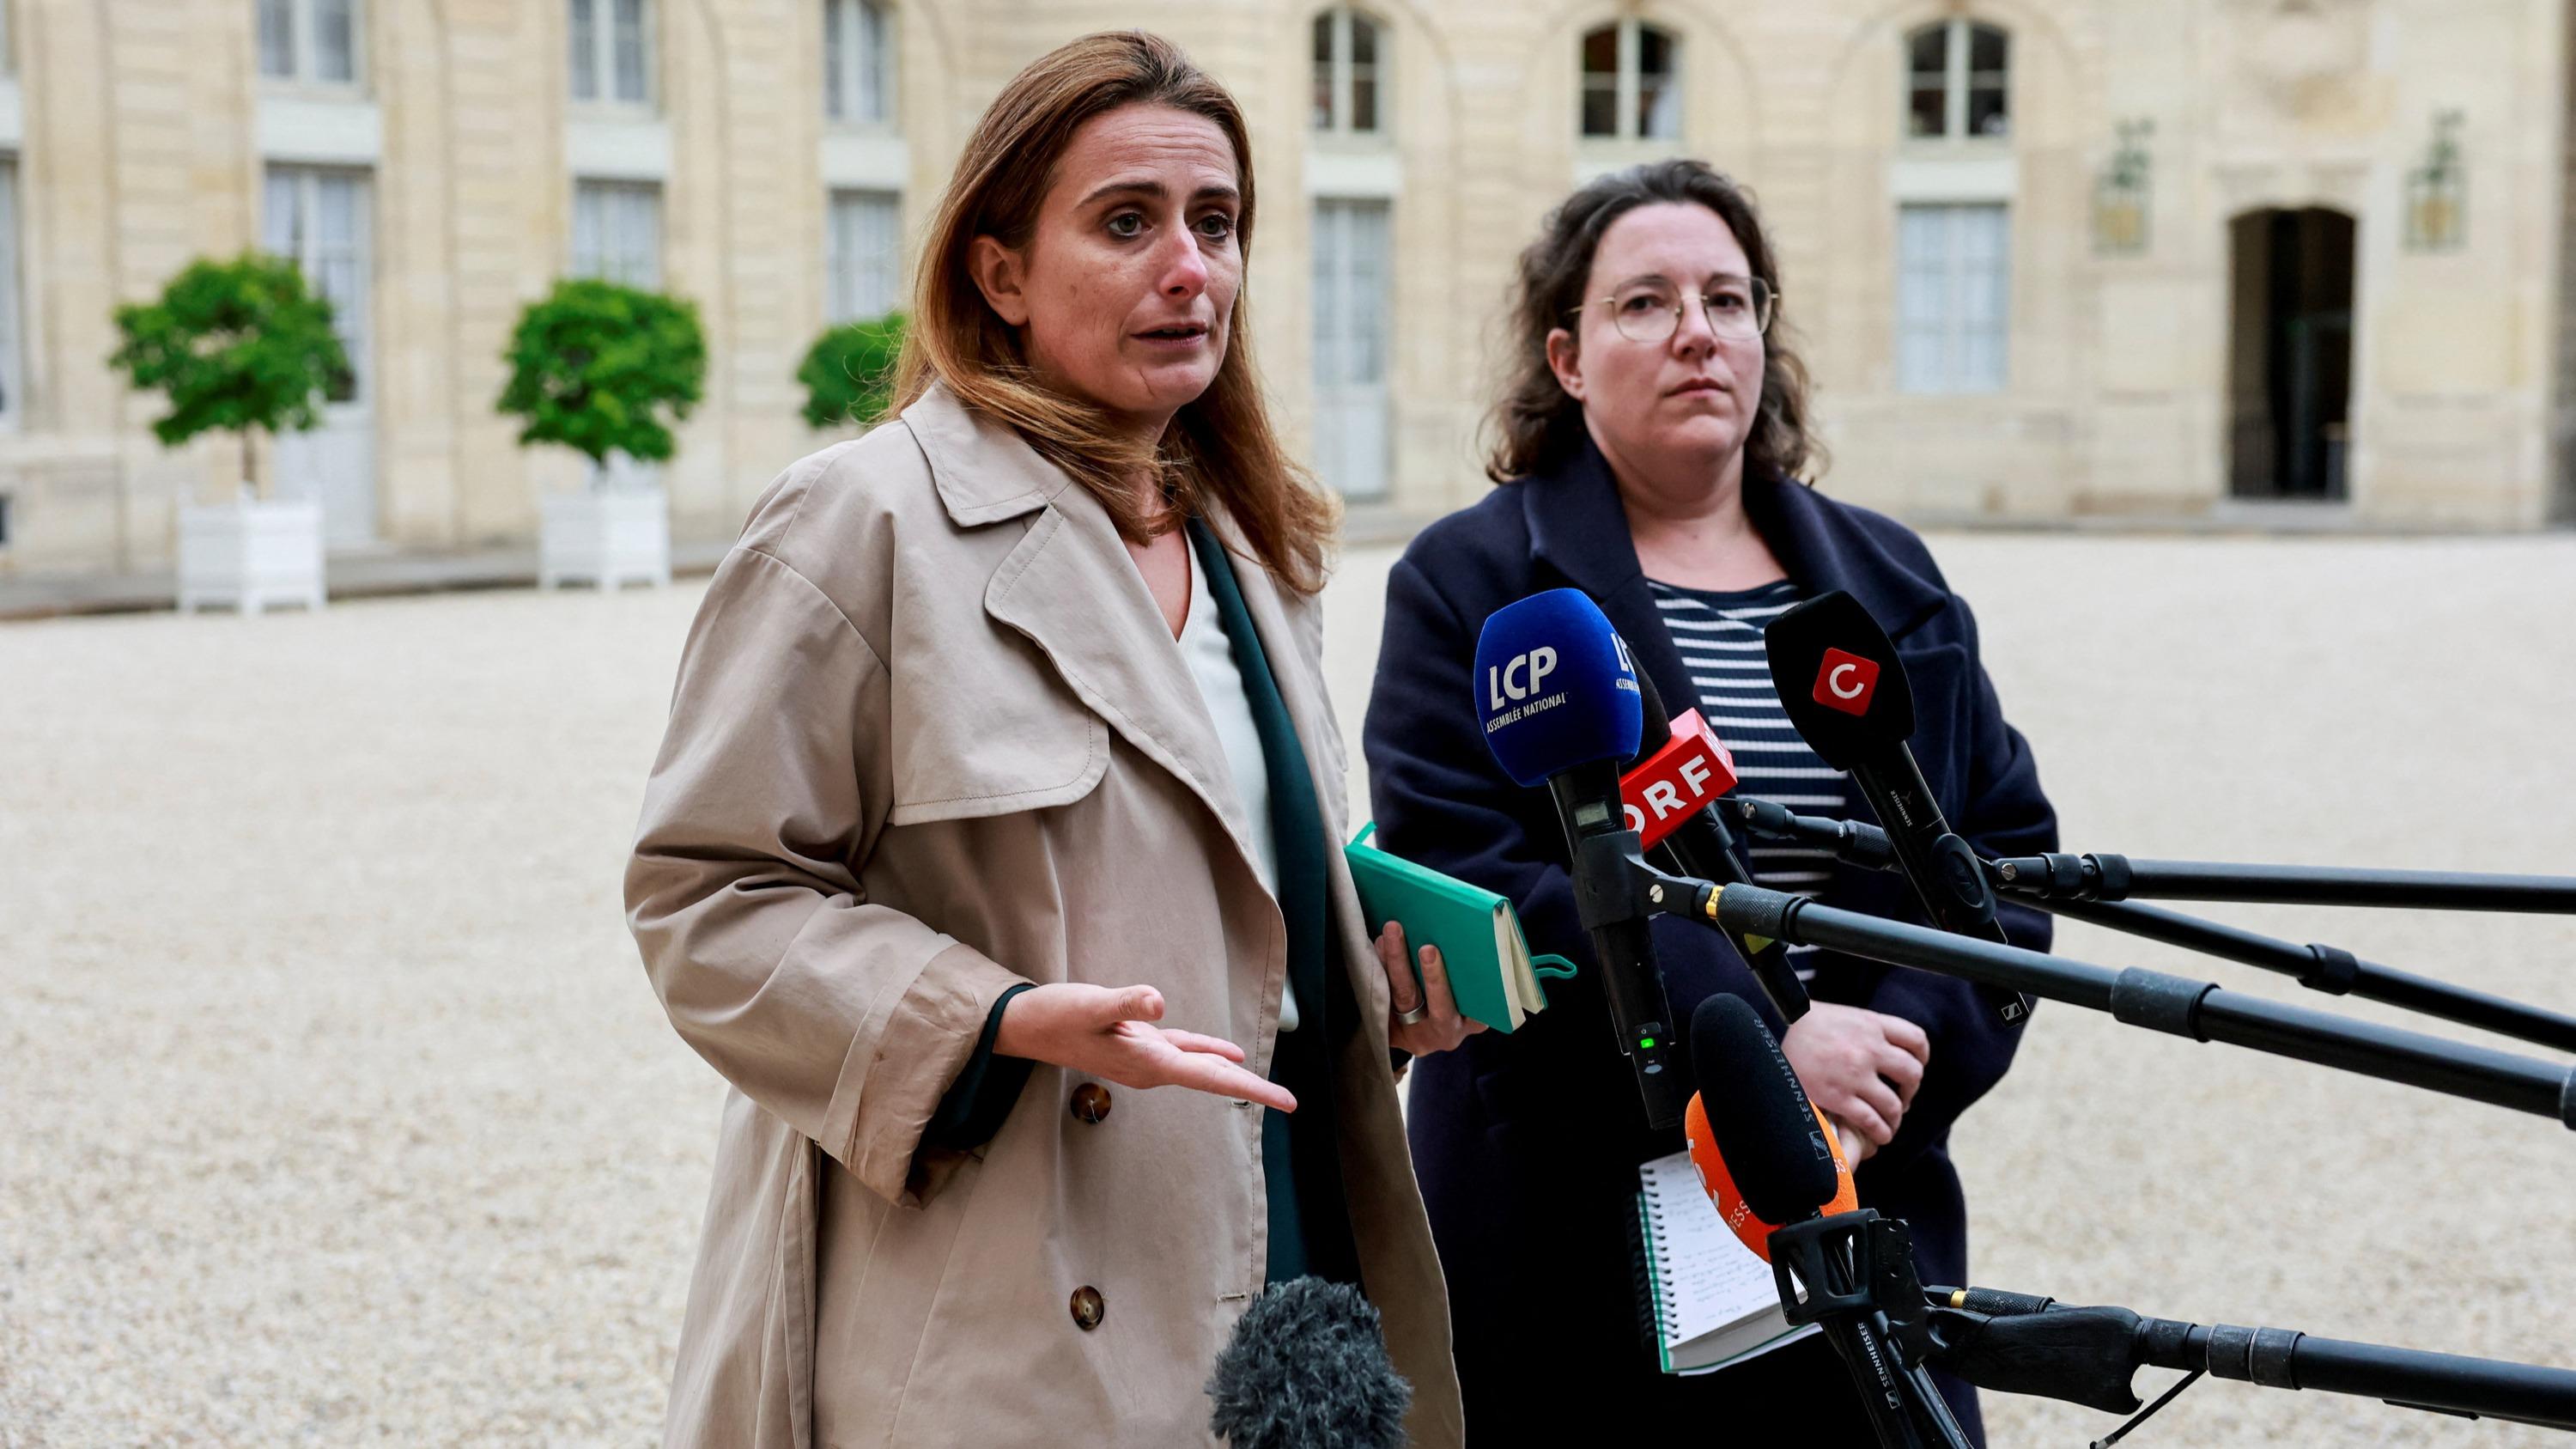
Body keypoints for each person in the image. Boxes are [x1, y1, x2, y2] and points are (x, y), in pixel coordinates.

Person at [625, 33, 1471, 1448]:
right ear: (998, 270)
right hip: (1009, 1279)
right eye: (1126, 222)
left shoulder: (1261, 547)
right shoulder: (863, 521)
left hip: (1281, 1232)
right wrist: (996, 1021)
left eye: (1217, 224)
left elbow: (1242, 901)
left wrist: (1368, 999)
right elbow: (704, 898)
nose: (1188, 266)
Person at [1362, 159, 2057, 1443]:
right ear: (1565, 358)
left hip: (1859, 1202)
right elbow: (1468, 871)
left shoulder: (1891, 580)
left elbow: (2001, 852)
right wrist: (1758, 1051)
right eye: (1646, 302)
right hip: (1576, 1225)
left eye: (1729, 300)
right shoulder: (1470, 585)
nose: (1697, 330)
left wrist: (1894, 1048)